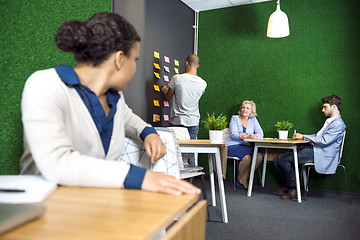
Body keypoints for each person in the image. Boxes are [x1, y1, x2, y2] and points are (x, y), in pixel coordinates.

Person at [19, 12, 200, 196]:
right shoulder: (45, 85)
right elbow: (56, 163)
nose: (135, 68)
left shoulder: (115, 97)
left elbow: (128, 119)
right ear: (119, 59)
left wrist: (148, 133)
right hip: (47, 208)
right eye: (134, 60)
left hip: (97, 203)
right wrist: (137, 177)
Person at [273, 94, 346, 200]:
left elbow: (324, 141)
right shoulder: (331, 121)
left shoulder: (338, 124)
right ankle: (287, 186)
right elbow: (318, 136)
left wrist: (304, 137)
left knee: (282, 159)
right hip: (315, 150)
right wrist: (302, 136)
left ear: (334, 107)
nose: (322, 110)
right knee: (276, 160)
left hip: (321, 154)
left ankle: (294, 189)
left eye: (325, 107)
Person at [161, 54, 207, 166]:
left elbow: (168, 97)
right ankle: (190, 181)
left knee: (174, 152)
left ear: (186, 63)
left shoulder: (177, 78)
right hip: (193, 122)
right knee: (190, 152)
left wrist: (164, 90)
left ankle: (174, 179)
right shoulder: (203, 83)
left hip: (177, 121)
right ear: (198, 66)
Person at [225, 100, 264, 190]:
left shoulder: (253, 120)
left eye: (247, 108)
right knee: (247, 158)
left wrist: (255, 136)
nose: (244, 109)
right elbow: (233, 134)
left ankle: (242, 178)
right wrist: (245, 136)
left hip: (247, 146)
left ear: (251, 111)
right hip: (232, 145)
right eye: (243, 107)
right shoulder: (234, 118)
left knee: (259, 156)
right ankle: (242, 180)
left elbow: (261, 134)